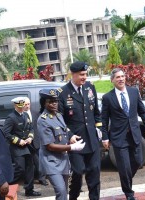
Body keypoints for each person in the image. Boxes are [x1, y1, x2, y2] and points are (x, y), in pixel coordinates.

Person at [101, 68, 145, 200]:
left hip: (134, 134)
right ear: (112, 80)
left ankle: (126, 180)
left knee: (137, 161)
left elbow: (142, 111)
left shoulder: (134, 92)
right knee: (124, 167)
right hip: (119, 137)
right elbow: (104, 119)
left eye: (122, 76)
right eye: (117, 77)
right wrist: (105, 137)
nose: (121, 79)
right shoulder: (107, 97)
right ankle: (129, 193)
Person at [58, 61, 102, 200]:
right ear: (73, 74)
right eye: (82, 75)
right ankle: (73, 197)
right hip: (76, 141)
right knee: (77, 172)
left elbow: (96, 112)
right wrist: (69, 135)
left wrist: (99, 128)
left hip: (92, 139)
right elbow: (60, 120)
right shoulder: (63, 92)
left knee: (94, 172)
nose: (85, 77)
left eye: (86, 74)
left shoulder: (89, 88)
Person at [37, 88, 86, 200]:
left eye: (56, 101)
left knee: (64, 191)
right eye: (50, 101)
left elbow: (64, 131)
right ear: (44, 103)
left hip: (63, 159)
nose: (54, 104)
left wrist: (71, 136)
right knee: (61, 191)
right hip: (51, 161)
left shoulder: (58, 115)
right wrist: (72, 147)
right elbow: (50, 146)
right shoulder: (43, 120)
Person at [2, 96, 41, 197]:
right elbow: (6, 133)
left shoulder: (25, 115)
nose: (22, 108)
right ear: (15, 105)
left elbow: (31, 128)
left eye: (23, 106)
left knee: (30, 168)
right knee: (20, 169)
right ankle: (4, 183)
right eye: (20, 106)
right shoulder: (11, 118)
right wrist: (19, 141)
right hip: (17, 147)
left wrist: (30, 138)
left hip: (27, 146)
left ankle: (29, 190)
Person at [23, 97, 49, 186]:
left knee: (39, 161)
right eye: (25, 104)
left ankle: (42, 178)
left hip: (36, 141)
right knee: (29, 163)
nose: (27, 106)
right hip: (25, 143)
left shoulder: (35, 113)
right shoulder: (20, 115)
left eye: (28, 104)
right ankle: (28, 181)